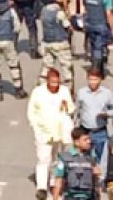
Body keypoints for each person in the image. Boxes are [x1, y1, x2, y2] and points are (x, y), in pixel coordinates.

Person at [29, 68, 75, 200]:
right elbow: (31, 112)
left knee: (56, 159)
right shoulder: (38, 92)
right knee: (43, 159)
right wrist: (36, 128)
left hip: (59, 131)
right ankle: (41, 187)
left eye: (57, 82)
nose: (55, 84)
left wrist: (67, 106)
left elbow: (71, 109)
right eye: (52, 82)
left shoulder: (64, 91)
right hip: (44, 131)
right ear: (47, 80)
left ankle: (54, 183)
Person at [75, 69, 113, 161]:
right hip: (85, 131)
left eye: (95, 79)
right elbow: (77, 110)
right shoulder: (81, 92)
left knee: (102, 157)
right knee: (84, 158)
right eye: (90, 79)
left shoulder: (107, 93)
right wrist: (74, 127)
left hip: (100, 131)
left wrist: (107, 114)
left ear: (100, 79)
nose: (92, 82)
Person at [52, 127, 98, 200]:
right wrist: (55, 198)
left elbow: (96, 182)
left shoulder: (91, 158)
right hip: (71, 197)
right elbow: (58, 181)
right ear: (77, 142)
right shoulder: (65, 158)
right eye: (85, 139)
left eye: (89, 139)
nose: (89, 141)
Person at [39, 0, 74, 88]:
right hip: (60, 42)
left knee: (47, 66)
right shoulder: (59, 12)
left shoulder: (43, 10)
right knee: (67, 67)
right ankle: (69, 88)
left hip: (47, 42)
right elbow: (68, 26)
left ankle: (41, 86)